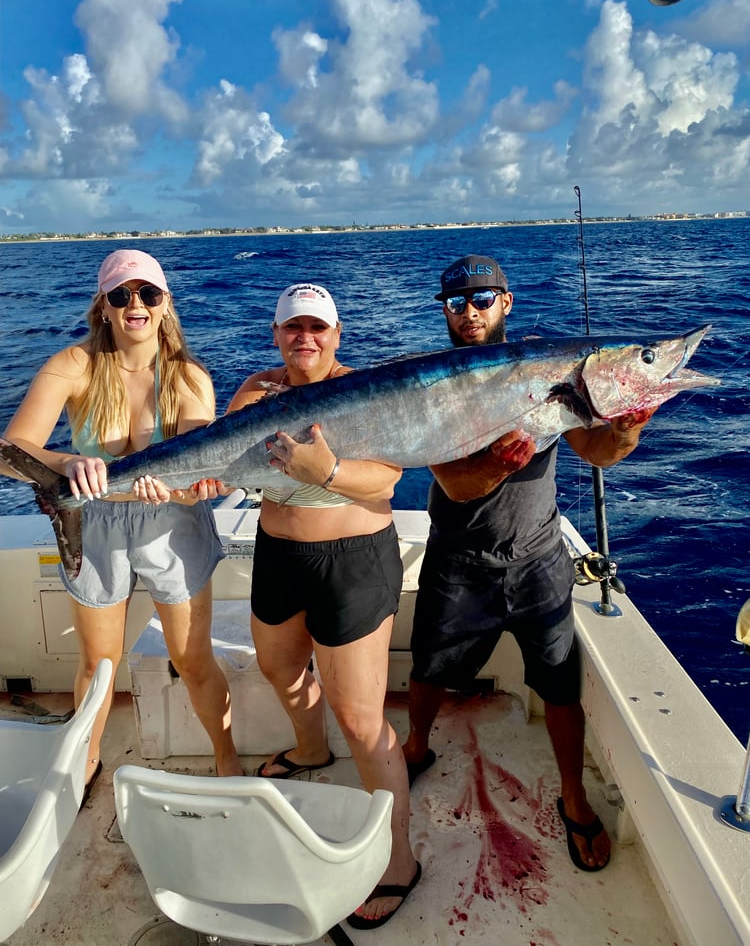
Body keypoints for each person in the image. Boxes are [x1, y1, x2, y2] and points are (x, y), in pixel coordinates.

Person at [402, 254, 657, 873]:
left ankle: (572, 795)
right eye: (456, 302)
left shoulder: (546, 372)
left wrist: (626, 431)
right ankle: (413, 749)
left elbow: (596, 449)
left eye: (482, 300)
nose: (469, 312)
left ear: (507, 303)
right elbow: (458, 486)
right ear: (444, 310)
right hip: (458, 557)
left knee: (559, 682)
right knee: (430, 666)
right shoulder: (433, 384)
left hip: (540, 557)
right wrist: (500, 463)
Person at [1, 248, 243, 795]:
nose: (136, 304)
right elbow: (11, 449)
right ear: (104, 307)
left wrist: (188, 488)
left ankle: (226, 760)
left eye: (148, 294)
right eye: (121, 295)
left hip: (172, 521)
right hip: (96, 520)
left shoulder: (187, 376)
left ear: (165, 305)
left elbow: (198, 466)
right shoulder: (74, 365)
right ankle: (84, 766)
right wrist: (67, 462)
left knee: (193, 659)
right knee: (97, 663)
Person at [221, 282, 420, 929]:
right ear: (276, 334)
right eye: (292, 328)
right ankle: (310, 751)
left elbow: (388, 476)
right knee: (279, 668)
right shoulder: (256, 390)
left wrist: (327, 473)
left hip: (354, 562)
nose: (305, 338)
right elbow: (228, 459)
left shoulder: (362, 391)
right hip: (279, 557)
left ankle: (399, 860)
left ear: (338, 335)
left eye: (318, 328)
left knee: (362, 719)